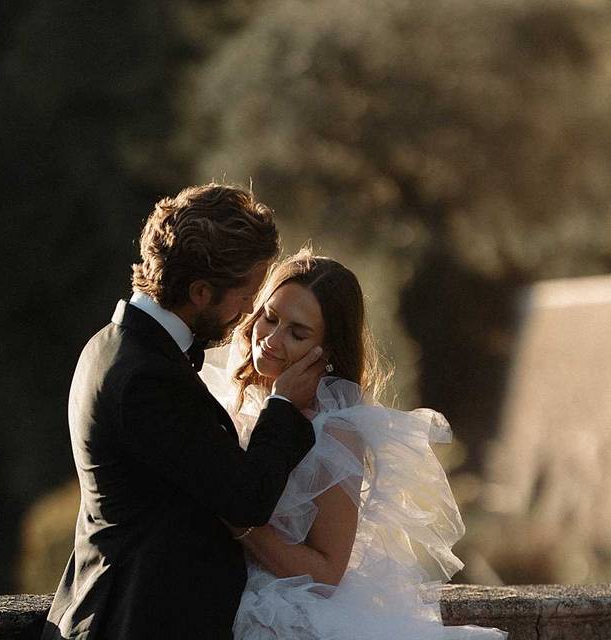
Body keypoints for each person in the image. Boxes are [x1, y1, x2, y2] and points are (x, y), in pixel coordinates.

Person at [41, 184, 324, 640]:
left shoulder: (111, 344)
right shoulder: (147, 379)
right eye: (245, 293)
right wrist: (285, 406)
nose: (249, 310)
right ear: (200, 291)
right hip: (137, 620)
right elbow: (245, 500)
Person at [200, 249, 507, 639]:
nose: (272, 340)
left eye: (297, 333)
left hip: (280, 616)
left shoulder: (335, 433)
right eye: (270, 317)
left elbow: (328, 572)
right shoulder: (223, 395)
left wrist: (241, 525)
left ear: (325, 352)